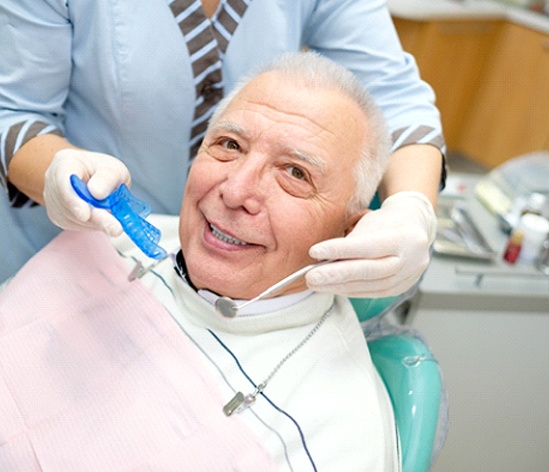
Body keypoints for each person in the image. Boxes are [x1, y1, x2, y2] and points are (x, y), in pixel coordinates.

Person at [0, 52, 400, 470]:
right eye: (230, 145)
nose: (235, 191)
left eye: (295, 173)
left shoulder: (338, 435)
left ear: (350, 232)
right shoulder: (112, 242)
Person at [0, 0, 444, 296]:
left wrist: (411, 208)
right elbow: (14, 109)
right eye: (230, 145)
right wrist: (60, 172)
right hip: (71, 252)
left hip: (243, 273)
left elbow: (398, 99)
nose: (234, 192)